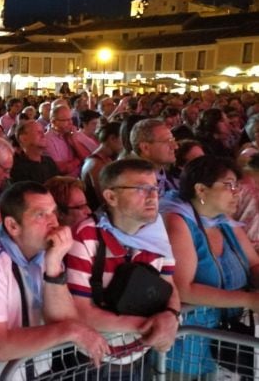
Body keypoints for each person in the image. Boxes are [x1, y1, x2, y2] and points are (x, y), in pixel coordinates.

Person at [0, 181, 109, 380]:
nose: (54, 222)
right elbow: (0, 347)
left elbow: (64, 320)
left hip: (37, 372)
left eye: (53, 212)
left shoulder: (47, 251)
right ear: (13, 226)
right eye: (40, 215)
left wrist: (54, 264)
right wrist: (71, 330)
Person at [66, 159, 180, 377]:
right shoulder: (87, 236)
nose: (152, 196)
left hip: (142, 353)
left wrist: (171, 315)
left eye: (154, 188)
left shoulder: (156, 234)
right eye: (140, 189)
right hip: (96, 360)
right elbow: (80, 311)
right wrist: (150, 326)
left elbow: (169, 284)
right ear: (111, 197)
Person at [161, 155, 259, 376]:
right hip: (188, 342)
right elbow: (183, 288)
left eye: (236, 185)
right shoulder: (178, 222)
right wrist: (249, 299)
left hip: (227, 336)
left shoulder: (223, 220)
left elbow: (254, 265)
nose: (237, 191)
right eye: (229, 185)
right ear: (201, 190)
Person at [129, 118, 178, 196]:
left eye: (173, 140)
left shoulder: (170, 178)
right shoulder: (132, 186)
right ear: (145, 148)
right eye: (167, 141)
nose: (175, 146)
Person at [81, 121, 123, 211]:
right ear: (112, 138)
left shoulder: (107, 159)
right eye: (122, 140)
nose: (124, 146)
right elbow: (105, 200)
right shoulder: (96, 163)